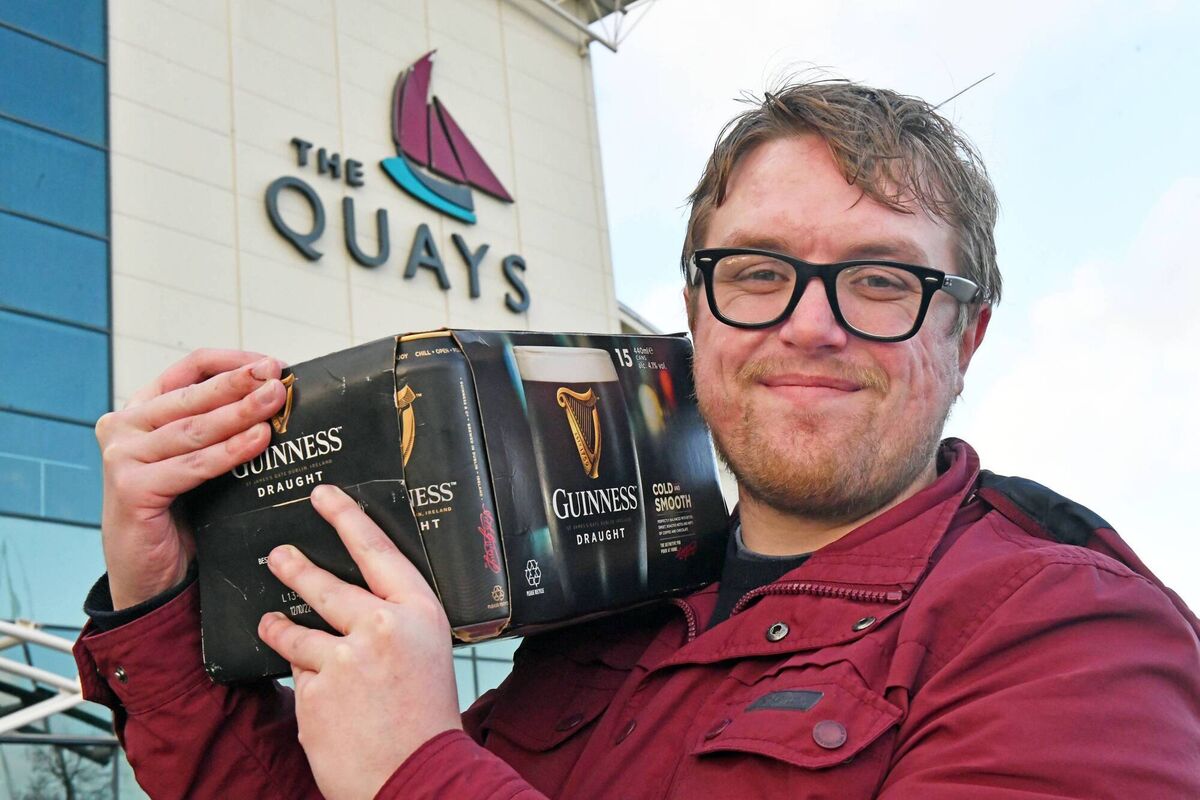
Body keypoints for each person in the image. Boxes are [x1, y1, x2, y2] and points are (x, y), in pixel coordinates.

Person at [74, 80, 1200, 799]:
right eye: (756, 272)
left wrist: (420, 769)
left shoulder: (1070, 636)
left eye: (880, 279)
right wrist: (156, 592)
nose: (811, 324)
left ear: (967, 335)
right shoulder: (617, 593)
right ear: (697, 317)